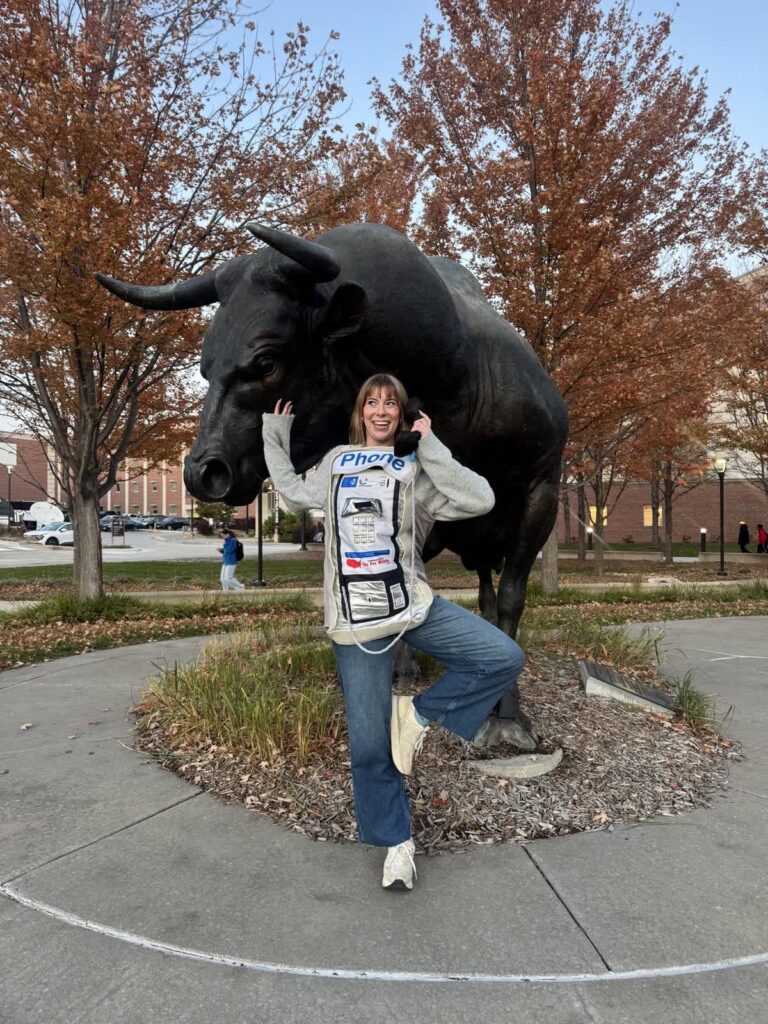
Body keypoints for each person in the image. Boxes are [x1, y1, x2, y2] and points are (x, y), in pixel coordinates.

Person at [262, 373, 525, 892]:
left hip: (413, 607)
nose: (381, 411)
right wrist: (276, 434)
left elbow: (480, 499)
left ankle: (417, 714)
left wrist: (430, 444)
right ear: (361, 411)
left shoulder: (415, 470)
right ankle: (396, 842)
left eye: (391, 404)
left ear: (401, 415)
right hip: (354, 623)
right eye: (372, 402)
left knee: (501, 656)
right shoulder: (337, 462)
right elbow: (291, 495)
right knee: (368, 746)